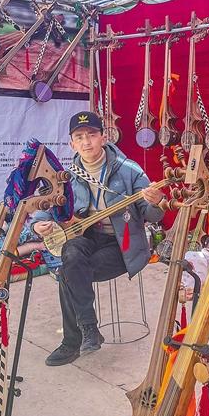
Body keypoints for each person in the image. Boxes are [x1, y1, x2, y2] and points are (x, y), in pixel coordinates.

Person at [33, 111, 165, 366]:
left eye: (92, 135)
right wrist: (38, 223)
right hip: (86, 239)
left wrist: (157, 202)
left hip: (122, 245)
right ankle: (89, 329)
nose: (86, 142)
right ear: (72, 144)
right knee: (71, 255)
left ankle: (74, 341)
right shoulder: (66, 176)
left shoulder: (130, 170)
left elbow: (151, 214)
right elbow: (45, 204)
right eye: (79, 137)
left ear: (103, 137)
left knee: (68, 273)